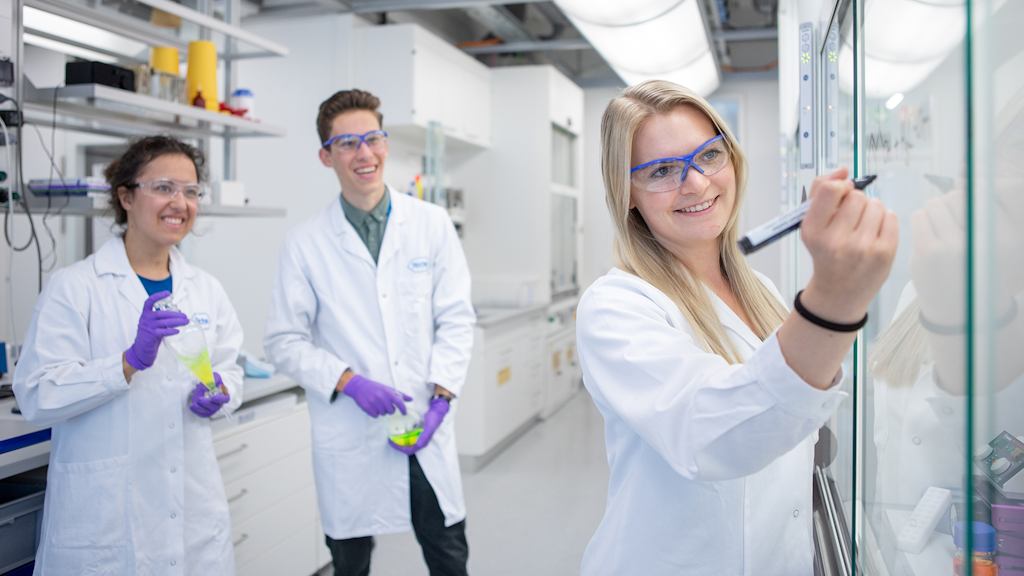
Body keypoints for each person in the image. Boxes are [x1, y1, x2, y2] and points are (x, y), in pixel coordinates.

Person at [575, 80, 898, 575]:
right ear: (629, 195)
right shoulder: (616, 306)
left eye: (709, 156)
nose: (697, 183)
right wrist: (834, 300)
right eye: (662, 170)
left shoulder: (760, 289)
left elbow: (791, 414)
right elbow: (713, 436)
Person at [263, 89, 475, 576]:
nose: (365, 153)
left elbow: (457, 317)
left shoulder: (431, 224)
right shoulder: (304, 244)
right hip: (351, 433)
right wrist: (348, 381)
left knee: (447, 555)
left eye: (374, 138)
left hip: (424, 419)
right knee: (351, 563)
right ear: (326, 156)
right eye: (348, 143)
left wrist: (441, 399)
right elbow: (283, 340)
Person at [13, 135, 244, 575]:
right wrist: (128, 362)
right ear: (125, 196)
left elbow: (230, 368)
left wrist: (221, 390)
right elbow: (37, 394)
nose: (180, 202)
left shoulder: (205, 289)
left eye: (191, 191)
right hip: (105, 523)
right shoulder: (76, 287)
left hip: (192, 512)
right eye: (163, 187)